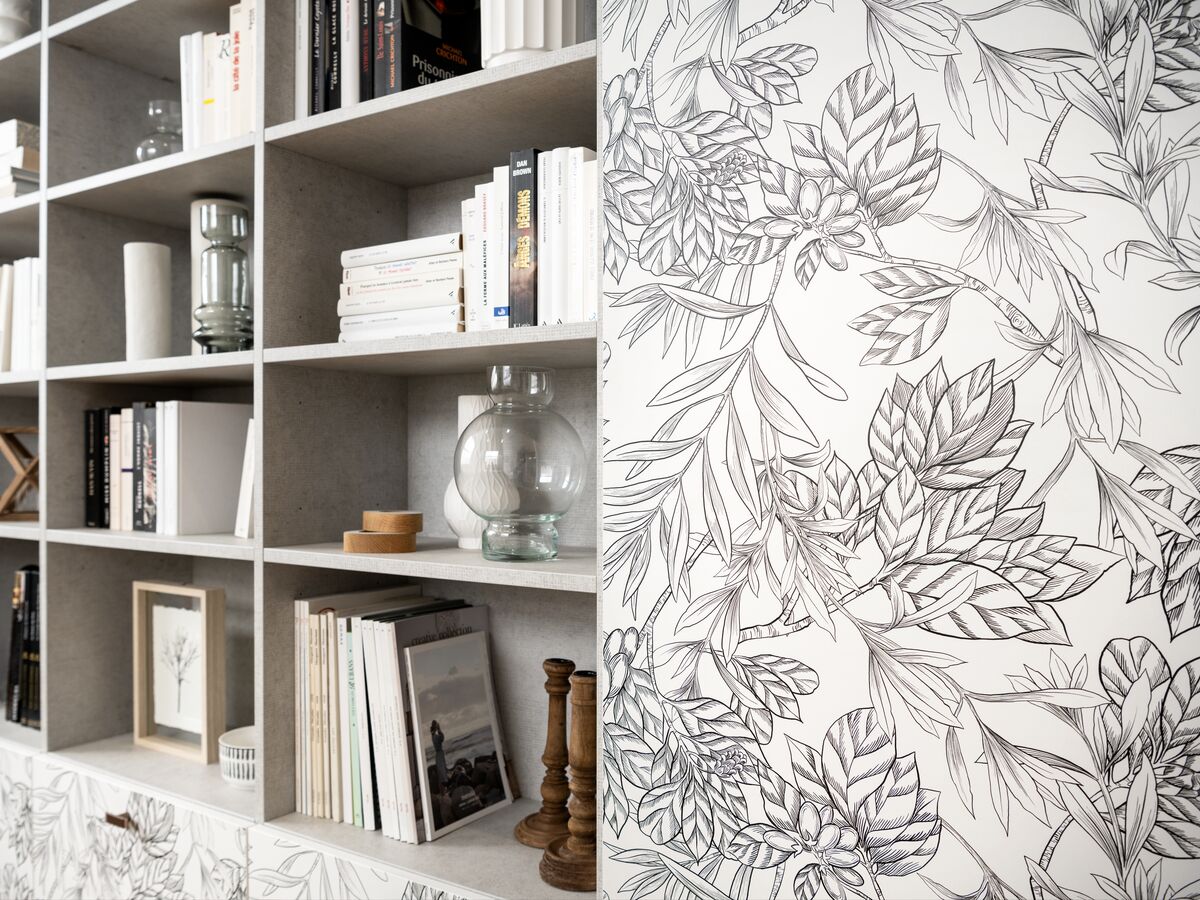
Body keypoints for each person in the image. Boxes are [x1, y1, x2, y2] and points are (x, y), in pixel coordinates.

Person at [431, 720, 447, 786]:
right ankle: (444, 783)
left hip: (438, 753)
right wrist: (439, 729)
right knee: (442, 770)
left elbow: (441, 738)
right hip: (439, 753)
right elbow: (442, 738)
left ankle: (443, 783)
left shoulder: (433, 736)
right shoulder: (435, 736)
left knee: (441, 770)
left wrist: (438, 729)